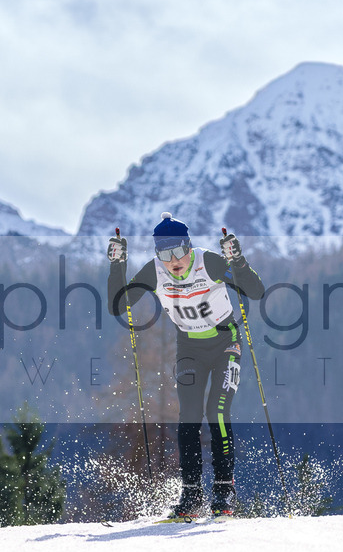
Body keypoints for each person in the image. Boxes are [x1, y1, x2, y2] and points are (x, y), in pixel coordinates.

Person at [107, 213, 265, 518]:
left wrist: (238, 261)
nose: (173, 260)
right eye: (165, 254)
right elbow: (119, 304)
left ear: (188, 246)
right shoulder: (155, 272)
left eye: (178, 251)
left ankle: (224, 491)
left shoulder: (210, 262)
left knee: (216, 412)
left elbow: (255, 292)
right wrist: (117, 265)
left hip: (225, 344)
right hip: (189, 347)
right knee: (190, 417)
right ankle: (192, 496)